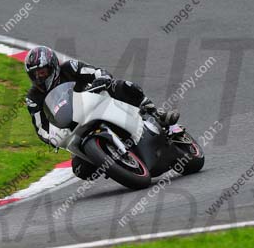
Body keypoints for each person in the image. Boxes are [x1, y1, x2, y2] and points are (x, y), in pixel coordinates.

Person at [25, 46, 179, 181]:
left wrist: (102, 78)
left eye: (42, 72)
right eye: (35, 75)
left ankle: (155, 112)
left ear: (53, 66)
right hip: (73, 126)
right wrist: (51, 138)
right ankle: (111, 160)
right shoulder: (33, 98)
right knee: (81, 171)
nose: (39, 77)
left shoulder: (70, 67)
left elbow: (96, 72)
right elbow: (41, 127)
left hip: (96, 102)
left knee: (121, 86)